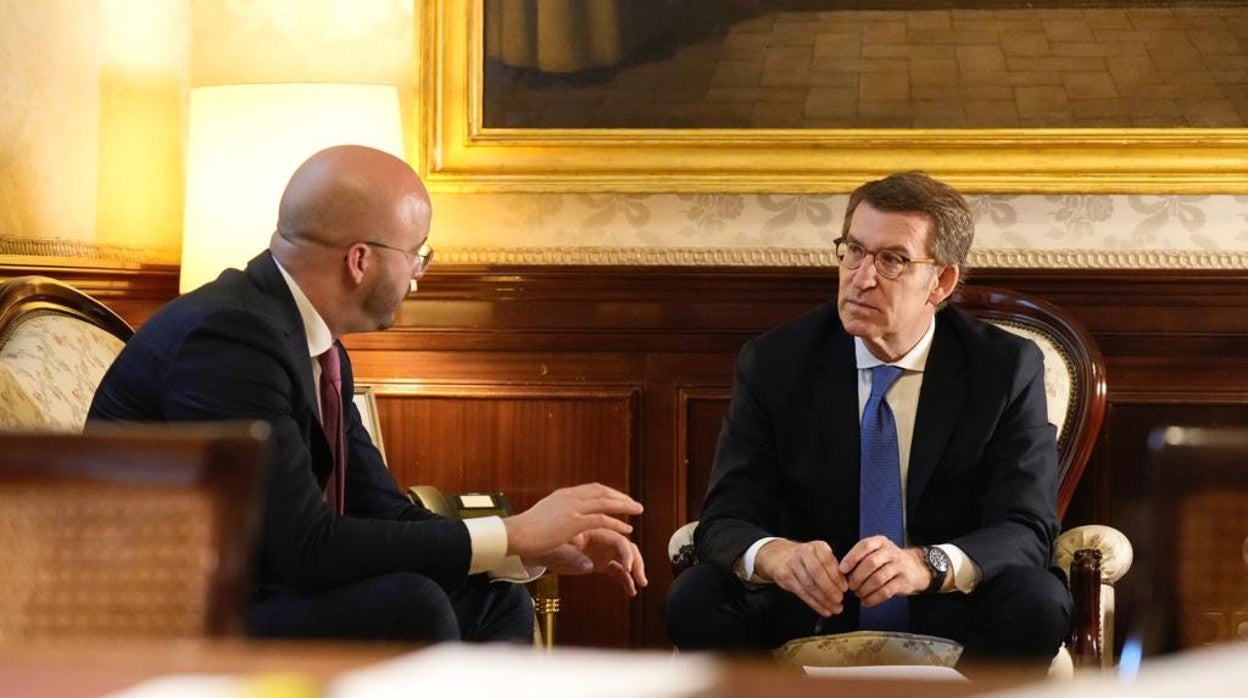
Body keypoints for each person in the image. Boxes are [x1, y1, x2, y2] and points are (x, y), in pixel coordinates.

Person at [89, 145, 647, 643]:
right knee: (408, 605)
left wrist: (521, 546)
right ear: (361, 260)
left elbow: (381, 511)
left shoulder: (313, 343)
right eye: (418, 254)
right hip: (175, 609)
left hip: (260, 585)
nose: (418, 277)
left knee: (493, 601)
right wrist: (513, 530)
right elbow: (303, 548)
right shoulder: (231, 338)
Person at [665, 171, 1069, 669]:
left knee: (1038, 601)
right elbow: (725, 519)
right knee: (696, 595)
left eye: (892, 259)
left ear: (940, 282)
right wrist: (780, 557)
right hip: (814, 603)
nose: (862, 277)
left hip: (945, 605)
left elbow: (1026, 526)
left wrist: (927, 565)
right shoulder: (776, 362)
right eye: (854, 251)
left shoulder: (1004, 368)